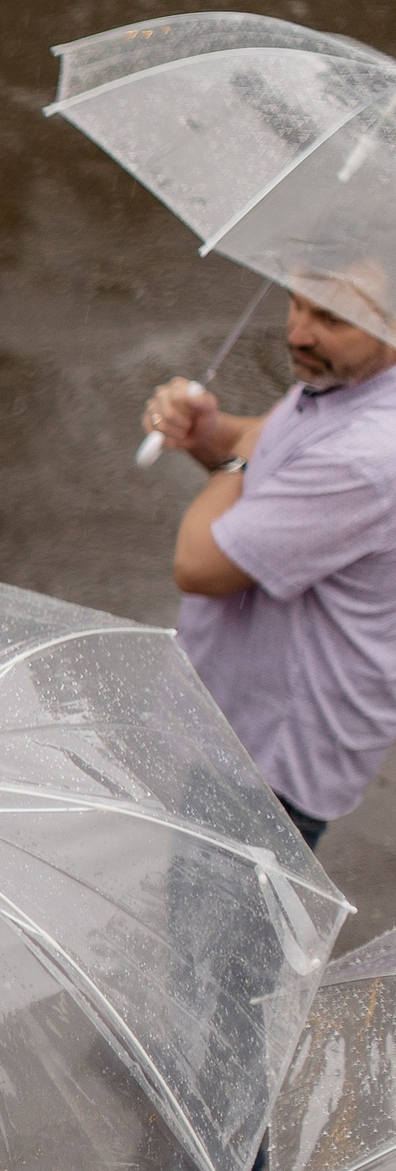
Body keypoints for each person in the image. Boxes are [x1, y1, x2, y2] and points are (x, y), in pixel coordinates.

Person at [144, 276, 396, 849]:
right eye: (296, 301)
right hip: (240, 726)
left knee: (216, 938)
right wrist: (209, 434)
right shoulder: (347, 379)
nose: (297, 332)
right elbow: (267, 440)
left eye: (331, 318)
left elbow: (200, 564)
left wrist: (236, 466)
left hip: (271, 766)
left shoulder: (371, 457)